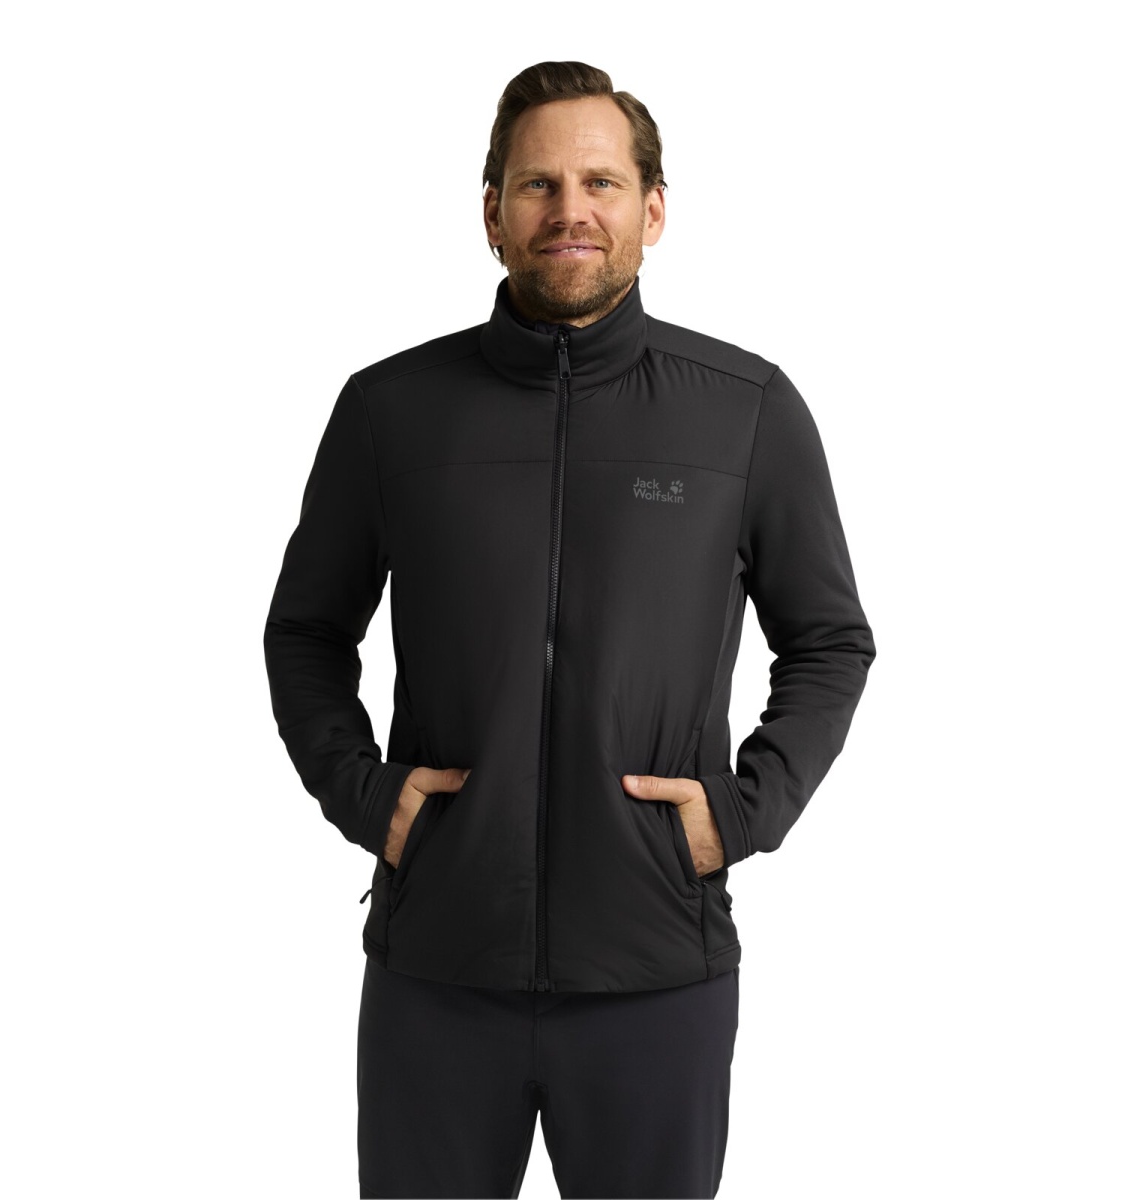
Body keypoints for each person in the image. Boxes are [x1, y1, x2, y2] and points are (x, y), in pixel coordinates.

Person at [263, 60, 876, 1199]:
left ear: (654, 209)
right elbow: (304, 632)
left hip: (657, 973)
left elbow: (830, 640)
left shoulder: (744, 411)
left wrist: (744, 812)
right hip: (437, 972)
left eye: (601, 182)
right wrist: (365, 796)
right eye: (537, 184)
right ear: (492, 214)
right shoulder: (391, 411)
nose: (569, 211)